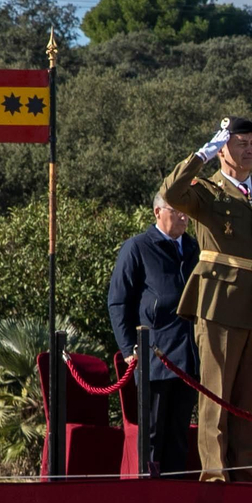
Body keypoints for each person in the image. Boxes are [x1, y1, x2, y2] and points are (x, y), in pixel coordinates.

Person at [158, 117, 252, 482]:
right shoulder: (206, 190)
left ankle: (247, 476)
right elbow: (171, 193)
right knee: (216, 396)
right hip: (219, 302)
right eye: (240, 142)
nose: (249, 149)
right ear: (224, 149)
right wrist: (202, 155)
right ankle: (216, 477)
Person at [107, 195, 200, 476]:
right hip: (155, 360)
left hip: (188, 358)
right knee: (152, 438)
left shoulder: (193, 248)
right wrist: (128, 349)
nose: (184, 217)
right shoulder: (138, 247)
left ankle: (174, 502)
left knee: (178, 437)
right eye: (177, 211)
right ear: (158, 212)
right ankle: (148, 498)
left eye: (187, 212)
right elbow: (118, 301)